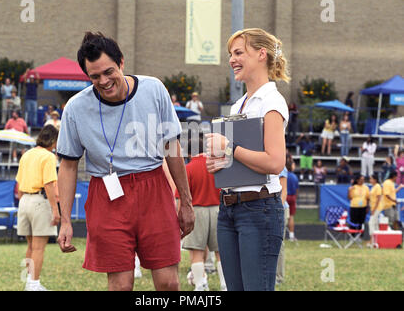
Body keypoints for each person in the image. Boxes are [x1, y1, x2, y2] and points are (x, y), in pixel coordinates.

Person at [56, 32, 194, 292]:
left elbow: (171, 148)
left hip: (153, 187)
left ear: (121, 62)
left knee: (169, 282)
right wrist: (65, 220)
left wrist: (186, 202)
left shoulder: (153, 89)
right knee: (120, 285)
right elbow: (69, 164)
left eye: (109, 72)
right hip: (107, 195)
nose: (104, 81)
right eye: (95, 77)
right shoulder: (75, 108)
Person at [206, 28, 289, 291]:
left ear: (261, 54)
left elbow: (275, 163)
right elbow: (243, 159)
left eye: (239, 52)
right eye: (231, 54)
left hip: (259, 209)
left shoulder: (272, 101)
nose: (232, 59)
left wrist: (229, 148)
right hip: (230, 208)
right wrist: (220, 164)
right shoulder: (239, 104)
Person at [175, 133, 226, 291]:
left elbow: (179, 198)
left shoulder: (187, 168)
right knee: (221, 252)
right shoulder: (215, 165)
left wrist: (179, 219)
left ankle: (200, 284)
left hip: (196, 211)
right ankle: (226, 285)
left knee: (196, 252)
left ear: (189, 153)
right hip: (218, 210)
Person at [16, 125, 60, 291]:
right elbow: (49, 184)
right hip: (39, 201)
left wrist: (23, 202)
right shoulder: (48, 156)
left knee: (30, 246)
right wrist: (55, 210)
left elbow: (19, 183)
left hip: (24, 200)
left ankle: (30, 281)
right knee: (39, 247)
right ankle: (34, 284)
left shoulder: (26, 155)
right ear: (53, 140)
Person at [276, 166, 289, 285]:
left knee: (278, 244)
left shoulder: (281, 167)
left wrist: (277, 209)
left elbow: (284, 191)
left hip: (279, 209)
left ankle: (279, 277)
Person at [367, 174, 382, 248]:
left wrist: (374, 209)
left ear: (375, 179)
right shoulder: (373, 187)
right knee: (375, 224)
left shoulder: (378, 186)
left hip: (377, 208)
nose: (370, 180)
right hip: (373, 207)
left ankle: (371, 240)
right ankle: (377, 241)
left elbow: (379, 198)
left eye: (371, 179)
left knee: (371, 223)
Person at [286, 161, 299, 241]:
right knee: (291, 216)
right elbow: (297, 189)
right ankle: (291, 235)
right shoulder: (294, 177)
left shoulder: (284, 175)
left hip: (285, 196)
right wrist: (295, 198)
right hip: (292, 197)